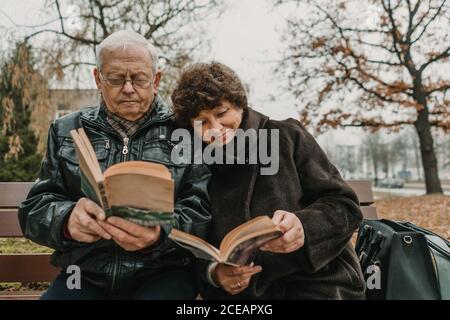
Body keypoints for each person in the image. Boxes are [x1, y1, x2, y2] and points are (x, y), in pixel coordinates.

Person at [18, 30, 211, 300]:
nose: (129, 88)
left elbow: (200, 210)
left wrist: (159, 234)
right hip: (83, 272)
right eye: (116, 79)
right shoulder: (66, 129)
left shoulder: (185, 132)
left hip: (163, 270)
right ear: (98, 79)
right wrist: (66, 220)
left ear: (156, 80)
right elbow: (34, 210)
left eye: (139, 78)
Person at [171, 62, 366, 299]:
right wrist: (214, 274)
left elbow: (345, 206)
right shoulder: (194, 163)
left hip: (320, 283)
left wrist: (304, 228)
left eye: (222, 113)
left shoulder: (287, 136)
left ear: (239, 104)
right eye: (202, 122)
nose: (215, 128)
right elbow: (196, 246)